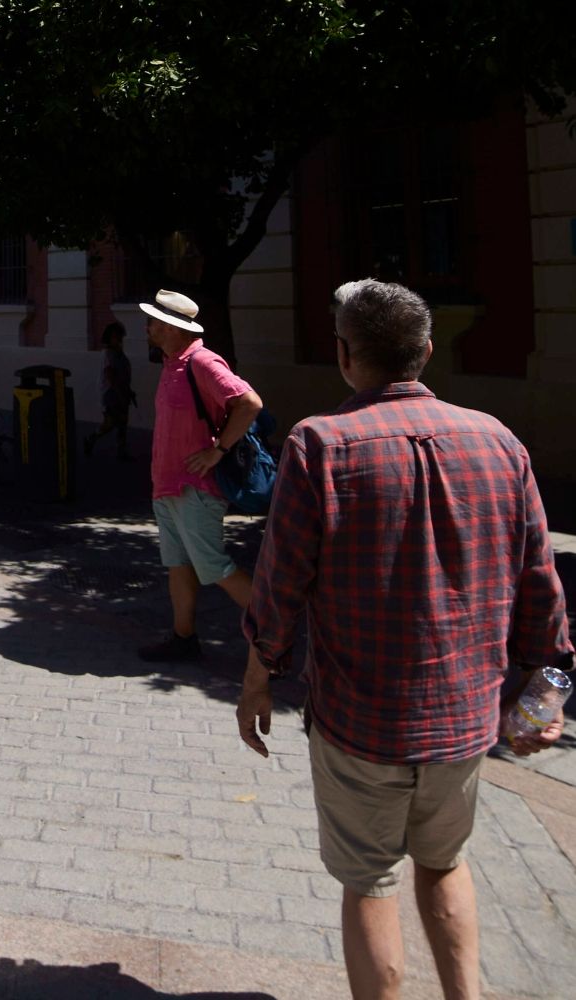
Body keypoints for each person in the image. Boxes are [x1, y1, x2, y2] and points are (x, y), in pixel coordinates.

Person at [237, 278, 572, 999]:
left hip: (360, 720)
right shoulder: (499, 441)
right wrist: (547, 695)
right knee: (446, 865)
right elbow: (542, 585)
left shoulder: (319, 444)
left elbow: (280, 583)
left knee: (369, 882)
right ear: (424, 352)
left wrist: (259, 676)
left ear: (344, 356)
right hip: (464, 721)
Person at [136, 289, 262, 662]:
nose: (149, 327)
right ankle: (183, 638)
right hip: (169, 486)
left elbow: (249, 402)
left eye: (155, 322)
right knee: (179, 564)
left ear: (173, 328)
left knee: (213, 566)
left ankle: (276, 633)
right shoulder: (172, 362)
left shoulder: (202, 362)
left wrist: (217, 450)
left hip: (195, 488)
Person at [84, 321, 137, 460]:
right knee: (111, 422)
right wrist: (120, 392)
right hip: (111, 394)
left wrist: (128, 391)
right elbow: (110, 375)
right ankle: (91, 438)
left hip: (120, 393)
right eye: (116, 336)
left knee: (122, 423)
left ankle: (121, 451)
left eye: (119, 336)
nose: (118, 339)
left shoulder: (119, 353)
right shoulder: (109, 354)